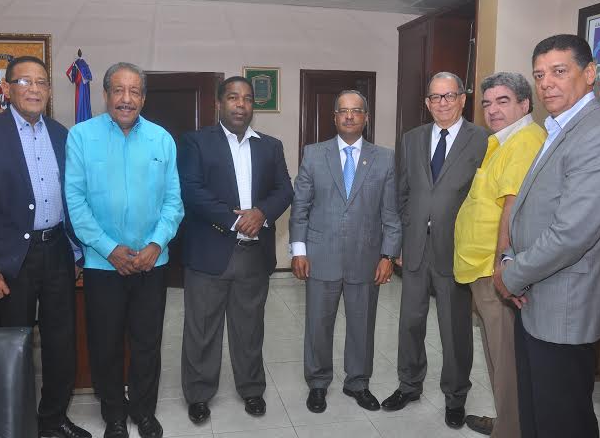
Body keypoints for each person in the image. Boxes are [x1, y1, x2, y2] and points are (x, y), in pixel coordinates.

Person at [0, 56, 91, 438]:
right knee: (13, 347)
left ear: (49, 90)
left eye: (41, 82)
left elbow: (72, 198)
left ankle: (53, 421)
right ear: (6, 88)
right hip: (9, 261)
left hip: (57, 253)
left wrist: (76, 250)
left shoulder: (62, 135)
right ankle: (13, 423)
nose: (34, 89)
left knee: (62, 344)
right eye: (24, 81)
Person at [493, 34, 600, 438]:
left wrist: (511, 275)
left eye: (559, 71)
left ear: (590, 73)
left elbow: (572, 233)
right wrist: (510, 259)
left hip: (565, 305)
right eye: (539, 75)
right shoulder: (559, 127)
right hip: (536, 296)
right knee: (537, 415)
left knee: (563, 422)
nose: (546, 83)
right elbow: (530, 210)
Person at [65, 62, 183, 438]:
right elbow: (75, 202)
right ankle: (114, 415)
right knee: (106, 344)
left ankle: (144, 412)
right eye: (118, 90)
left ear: (144, 98)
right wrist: (109, 248)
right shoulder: (81, 137)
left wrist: (155, 244)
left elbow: (174, 202)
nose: (126, 99)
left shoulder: (162, 139)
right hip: (103, 264)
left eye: (134, 91)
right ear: (105, 95)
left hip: (152, 263)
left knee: (147, 343)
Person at [178, 76, 293, 424]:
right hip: (208, 252)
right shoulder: (196, 142)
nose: (241, 105)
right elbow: (192, 191)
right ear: (219, 103)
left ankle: (252, 388)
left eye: (247, 99)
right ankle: (199, 394)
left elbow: (284, 189)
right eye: (233, 97)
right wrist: (235, 220)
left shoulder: (270, 146)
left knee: (250, 328)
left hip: (253, 255)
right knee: (202, 330)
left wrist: (262, 213)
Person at [383, 72, 488, 429]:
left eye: (449, 96)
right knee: (410, 323)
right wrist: (399, 240)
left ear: (462, 99)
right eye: (435, 97)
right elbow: (402, 193)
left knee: (454, 329)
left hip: (455, 249)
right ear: (427, 103)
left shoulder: (482, 140)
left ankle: (455, 396)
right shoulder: (412, 139)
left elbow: (484, 200)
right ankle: (409, 385)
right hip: (415, 246)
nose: (442, 103)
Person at [289, 90, 402, 413]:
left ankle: (358, 383)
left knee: (362, 326)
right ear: (335, 117)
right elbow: (300, 207)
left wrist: (388, 256)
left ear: (366, 117)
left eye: (356, 111)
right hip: (320, 256)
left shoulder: (384, 158)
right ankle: (318, 383)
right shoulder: (314, 154)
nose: (349, 116)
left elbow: (391, 213)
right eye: (343, 111)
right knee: (318, 325)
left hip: (366, 259)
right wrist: (299, 250)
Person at [453, 72, 546, 437]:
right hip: (481, 270)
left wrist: (500, 268)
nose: (492, 110)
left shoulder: (525, 141)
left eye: (503, 101)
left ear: (524, 103)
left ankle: (511, 430)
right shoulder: (503, 140)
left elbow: (512, 208)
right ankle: (507, 421)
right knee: (497, 353)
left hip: (495, 273)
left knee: (505, 358)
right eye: (487, 103)